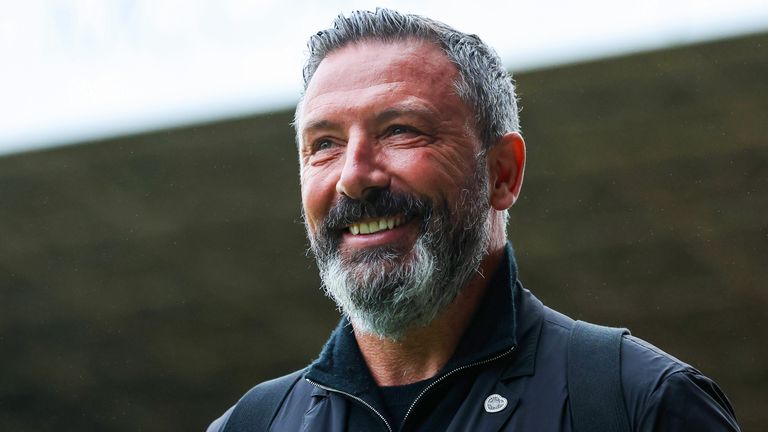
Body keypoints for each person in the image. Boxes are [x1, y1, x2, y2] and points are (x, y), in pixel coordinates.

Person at [208, 8, 740, 432]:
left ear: (503, 173)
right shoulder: (249, 425)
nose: (354, 177)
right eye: (324, 144)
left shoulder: (638, 403)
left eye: (400, 130)